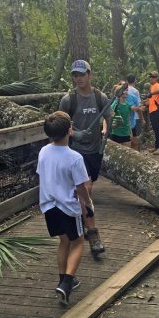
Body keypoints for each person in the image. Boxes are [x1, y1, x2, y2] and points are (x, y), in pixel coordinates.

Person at [37, 111, 92, 305]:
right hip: (68, 207)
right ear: (70, 130)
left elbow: (43, 175)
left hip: (48, 206)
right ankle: (67, 283)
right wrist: (88, 205)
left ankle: (63, 280)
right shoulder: (74, 157)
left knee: (63, 242)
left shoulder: (43, 151)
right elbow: (81, 187)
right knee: (78, 242)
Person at [59, 60, 109, 254]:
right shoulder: (68, 99)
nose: (78, 78)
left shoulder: (100, 97)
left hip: (94, 151)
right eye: (75, 75)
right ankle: (93, 232)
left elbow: (109, 118)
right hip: (75, 152)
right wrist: (74, 134)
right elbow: (60, 124)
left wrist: (103, 142)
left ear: (90, 74)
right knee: (85, 189)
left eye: (81, 74)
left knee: (87, 189)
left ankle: (81, 222)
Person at [145, 71, 159, 155]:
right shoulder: (152, 86)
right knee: (155, 129)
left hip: (156, 111)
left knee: (157, 130)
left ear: (156, 78)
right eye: (150, 77)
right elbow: (152, 99)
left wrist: (151, 93)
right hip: (152, 110)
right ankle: (156, 146)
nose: (151, 79)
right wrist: (144, 102)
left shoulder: (157, 85)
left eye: (153, 77)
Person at [126, 74, 144, 150]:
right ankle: (137, 153)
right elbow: (139, 106)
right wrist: (142, 119)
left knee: (128, 138)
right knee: (136, 138)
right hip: (135, 117)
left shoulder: (121, 89)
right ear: (135, 81)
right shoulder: (135, 91)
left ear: (126, 80)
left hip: (125, 118)